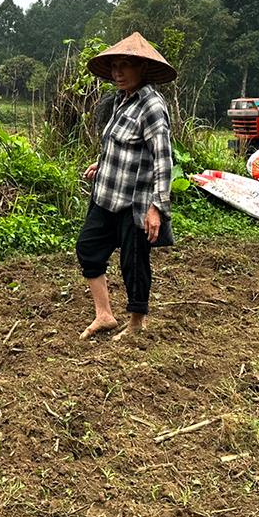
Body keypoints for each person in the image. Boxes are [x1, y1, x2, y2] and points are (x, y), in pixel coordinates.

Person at [77, 32, 175, 341]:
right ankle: (104, 315)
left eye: (126, 66)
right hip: (107, 193)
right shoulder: (122, 100)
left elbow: (163, 160)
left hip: (136, 201)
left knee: (133, 262)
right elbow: (119, 143)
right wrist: (101, 162)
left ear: (142, 69)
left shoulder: (152, 107)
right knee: (88, 248)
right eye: (115, 66)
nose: (118, 73)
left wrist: (157, 208)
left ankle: (136, 324)